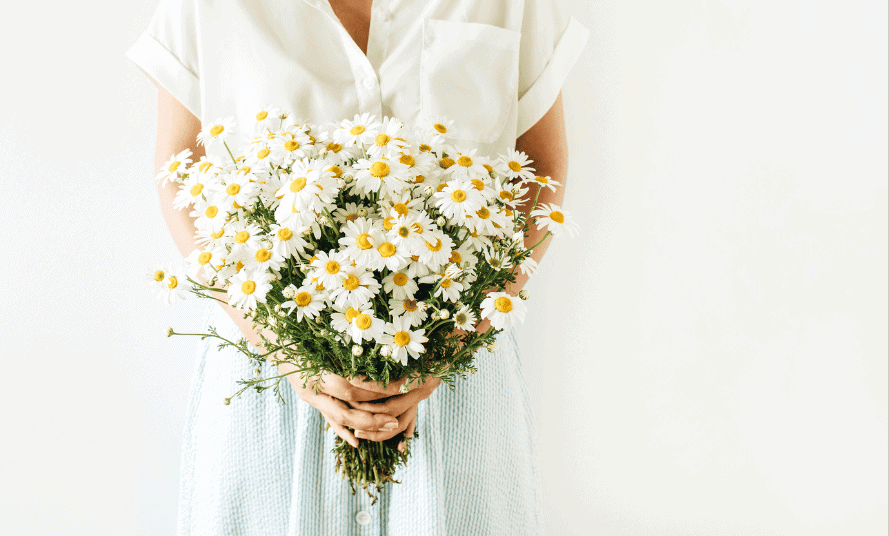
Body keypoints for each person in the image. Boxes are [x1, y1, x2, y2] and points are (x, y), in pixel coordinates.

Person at [127, 0, 588, 533]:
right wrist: (281, 349)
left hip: (453, 369)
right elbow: (179, 170)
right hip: (269, 367)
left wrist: (457, 341)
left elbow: (542, 169)